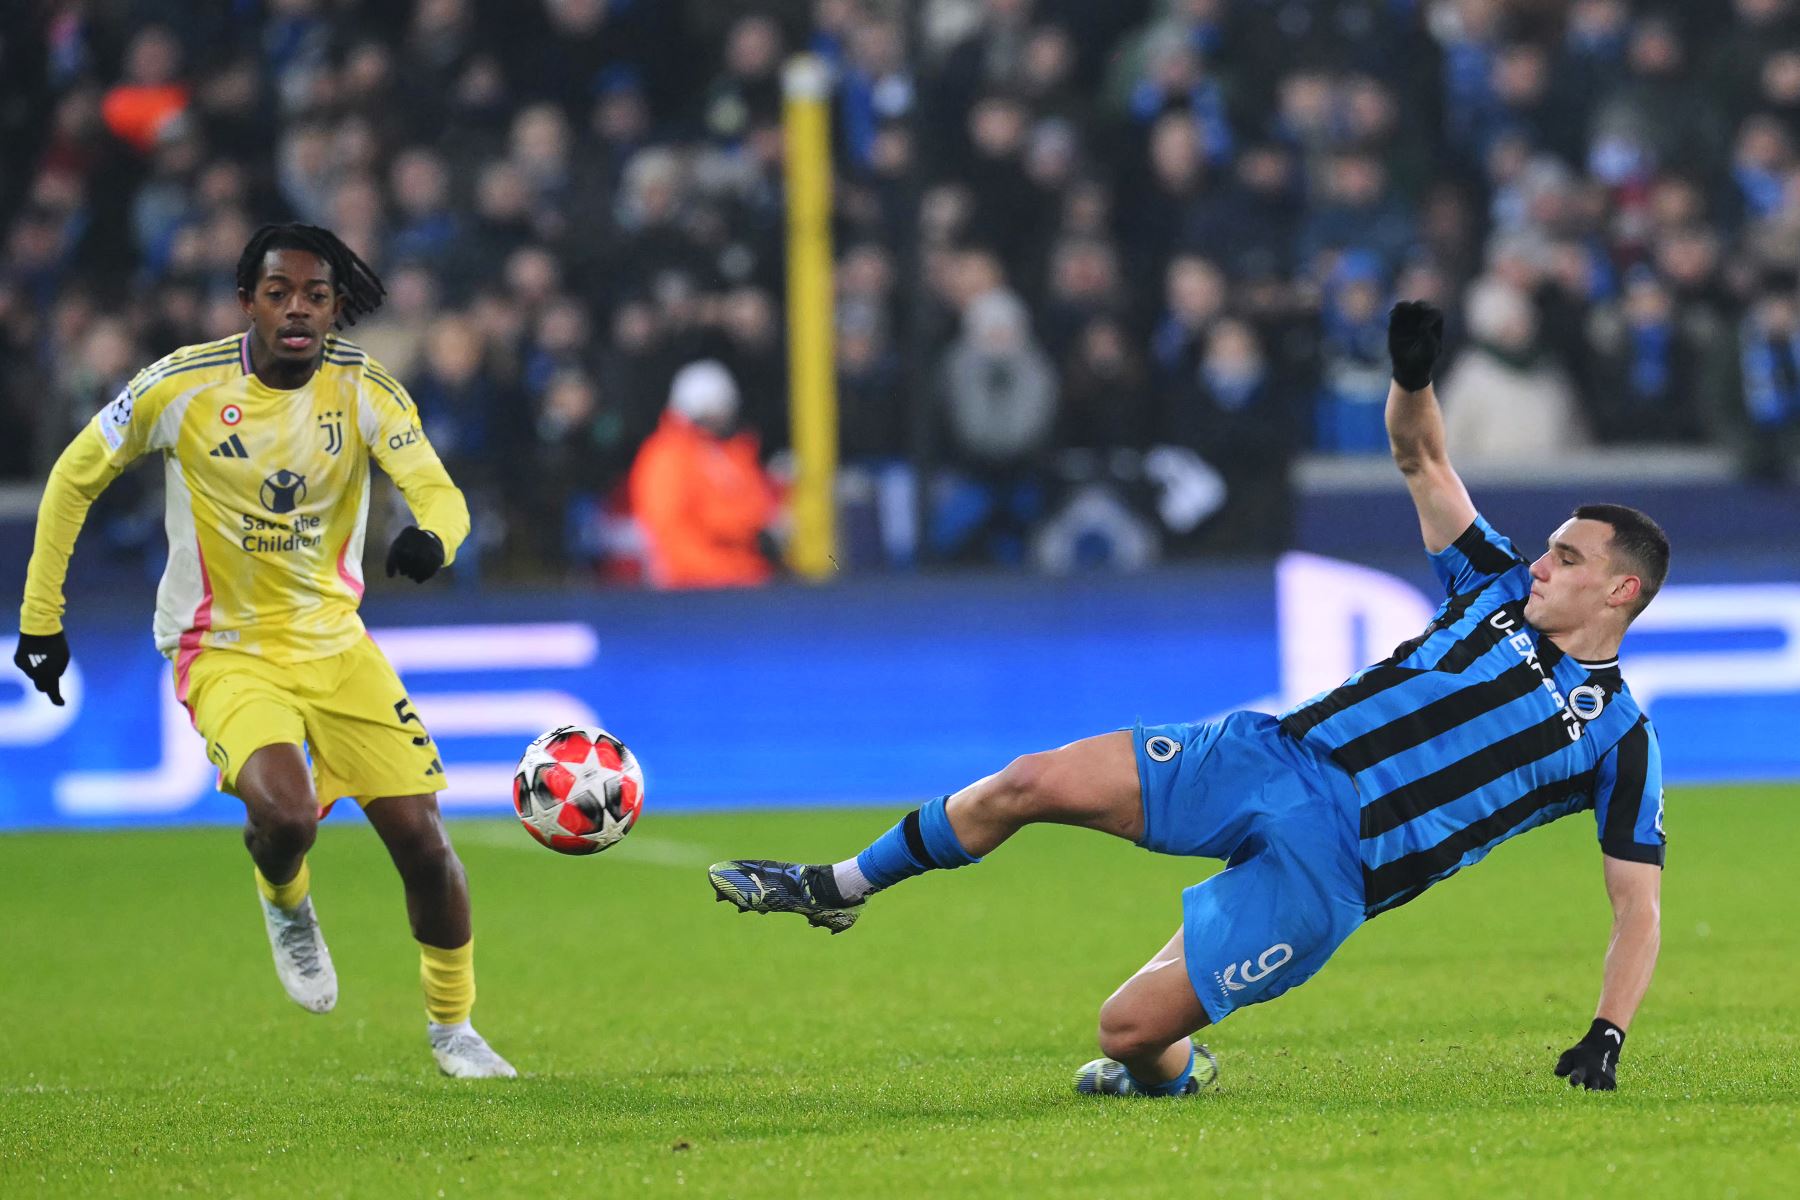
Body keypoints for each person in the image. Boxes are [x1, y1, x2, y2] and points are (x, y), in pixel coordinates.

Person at [708, 301, 1667, 1097]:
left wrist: (1607, 1034)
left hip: (1331, 871)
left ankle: (1174, 1072)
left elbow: (1637, 908)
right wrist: (1412, 377)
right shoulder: (1492, 583)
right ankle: (835, 888)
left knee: (1125, 1030)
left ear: (1621, 591)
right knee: (1031, 780)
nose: (1541, 563)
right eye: (1547, 547)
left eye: (1567, 558)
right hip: (1266, 754)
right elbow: (1423, 460)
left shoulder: (1619, 739)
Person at [12, 223, 515, 1079]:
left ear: (335, 308)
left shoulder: (364, 390)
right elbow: (73, 476)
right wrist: (39, 618)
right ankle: (285, 899)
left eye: (316, 297)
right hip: (225, 646)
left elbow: (439, 491)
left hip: (337, 645)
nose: (297, 310)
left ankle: (454, 1028)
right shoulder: (181, 387)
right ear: (246, 300)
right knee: (285, 817)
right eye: (278, 292)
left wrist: (435, 538)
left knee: (424, 842)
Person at [628, 359, 782, 589]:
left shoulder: (733, 450)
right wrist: (731, 575)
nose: (726, 416)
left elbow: (753, 511)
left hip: (744, 580)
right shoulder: (668, 455)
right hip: (695, 589)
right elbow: (672, 533)